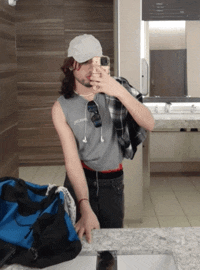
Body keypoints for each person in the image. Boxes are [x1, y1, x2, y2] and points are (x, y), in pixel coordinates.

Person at [51, 34, 154, 244]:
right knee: (77, 243)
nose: (92, 69)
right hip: (80, 179)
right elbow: (71, 160)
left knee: (110, 245)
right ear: (71, 65)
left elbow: (149, 123)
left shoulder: (116, 89)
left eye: (97, 61)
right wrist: (84, 204)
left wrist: (118, 92)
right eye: (85, 62)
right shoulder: (61, 107)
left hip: (112, 183)